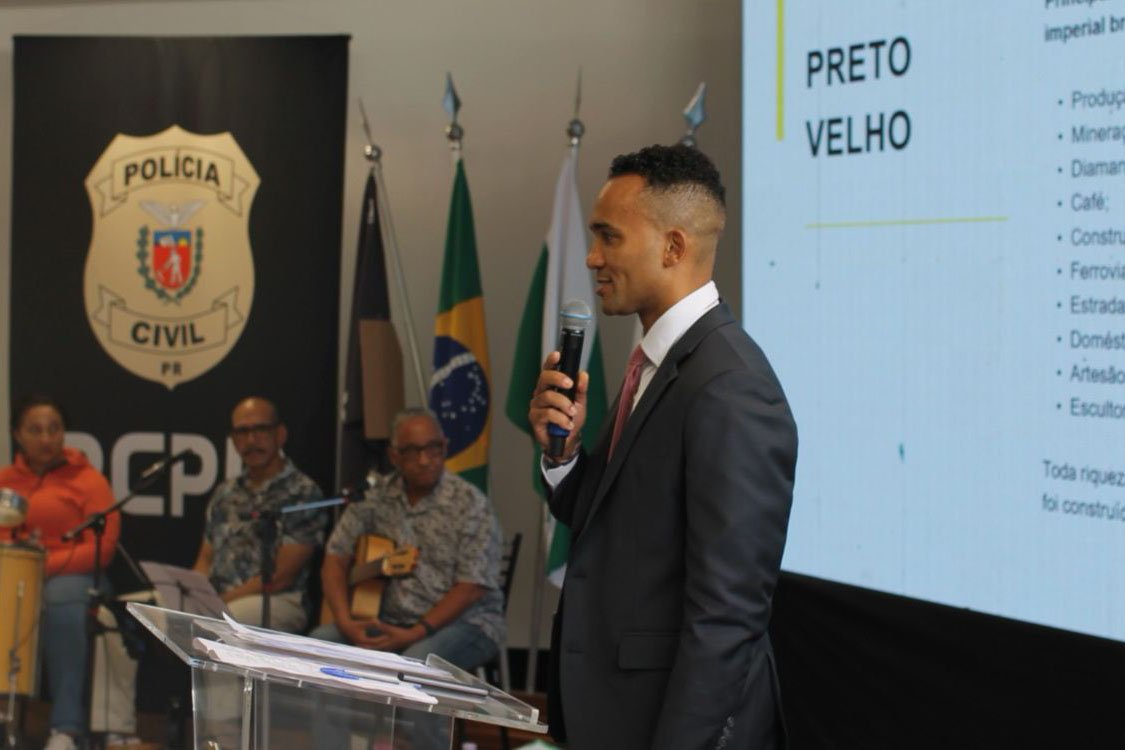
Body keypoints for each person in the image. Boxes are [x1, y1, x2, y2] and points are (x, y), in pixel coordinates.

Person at [528, 144, 798, 749]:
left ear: (673, 247)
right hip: (612, 715)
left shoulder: (731, 389)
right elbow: (609, 526)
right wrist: (563, 456)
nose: (593, 258)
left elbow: (727, 618)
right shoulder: (656, 363)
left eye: (608, 238)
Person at [313, 408, 504, 670]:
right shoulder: (374, 498)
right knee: (318, 646)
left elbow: (471, 587)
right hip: (385, 621)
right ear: (394, 456)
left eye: (433, 448)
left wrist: (416, 632)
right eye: (413, 451)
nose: (425, 460)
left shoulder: (470, 504)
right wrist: (345, 621)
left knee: (410, 667)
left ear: (445, 447)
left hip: (465, 624)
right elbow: (335, 557)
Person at [0, 395, 118, 750]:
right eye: (35, 430)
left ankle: (66, 728)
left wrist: (43, 566)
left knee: (62, 601)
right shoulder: (6, 481)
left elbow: (104, 547)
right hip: (12, 576)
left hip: (72, 576)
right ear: (17, 435)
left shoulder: (88, 480)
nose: (46, 439)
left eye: (54, 430)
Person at [192, 396, 328, 630]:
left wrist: (217, 603)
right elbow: (205, 558)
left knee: (227, 619)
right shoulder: (225, 492)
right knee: (154, 608)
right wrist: (193, 593)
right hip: (218, 599)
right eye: (242, 432)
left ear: (280, 434)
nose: (251, 440)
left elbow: (278, 577)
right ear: (233, 441)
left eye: (260, 430)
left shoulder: (303, 493)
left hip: (277, 600)